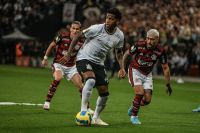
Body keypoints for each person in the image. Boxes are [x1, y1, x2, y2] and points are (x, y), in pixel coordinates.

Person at [60, 8, 126, 125]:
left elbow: (119, 52)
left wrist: (122, 68)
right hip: (84, 58)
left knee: (104, 93)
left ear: (117, 21)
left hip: (99, 63)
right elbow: (77, 36)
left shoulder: (120, 35)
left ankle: (96, 118)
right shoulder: (97, 28)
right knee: (90, 80)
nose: (107, 20)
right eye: (107, 17)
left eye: (111, 18)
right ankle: (84, 111)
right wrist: (69, 54)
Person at [121, 29, 172, 124]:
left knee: (147, 100)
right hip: (135, 70)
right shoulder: (139, 45)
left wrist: (168, 84)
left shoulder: (161, 50)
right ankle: (134, 116)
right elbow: (126, 54)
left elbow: (165, 68)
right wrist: (122, 68)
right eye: (148, 38)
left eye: (152, 39)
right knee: (140, 93)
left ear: (157, 39)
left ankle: (133, 106)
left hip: (147, 74)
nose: (149, 41)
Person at [41, 21, 94, 114]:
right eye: (73, 28)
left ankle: (87, 108)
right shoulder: (62, 37)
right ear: (70, 29)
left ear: (80, 30)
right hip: (59, 64)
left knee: (82, 87)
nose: (75, 30)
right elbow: (51, 45)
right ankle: (47, 102)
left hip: (71, 67)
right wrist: (45, 58)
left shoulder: (81, 42)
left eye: (77, 29)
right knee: (58, 78)